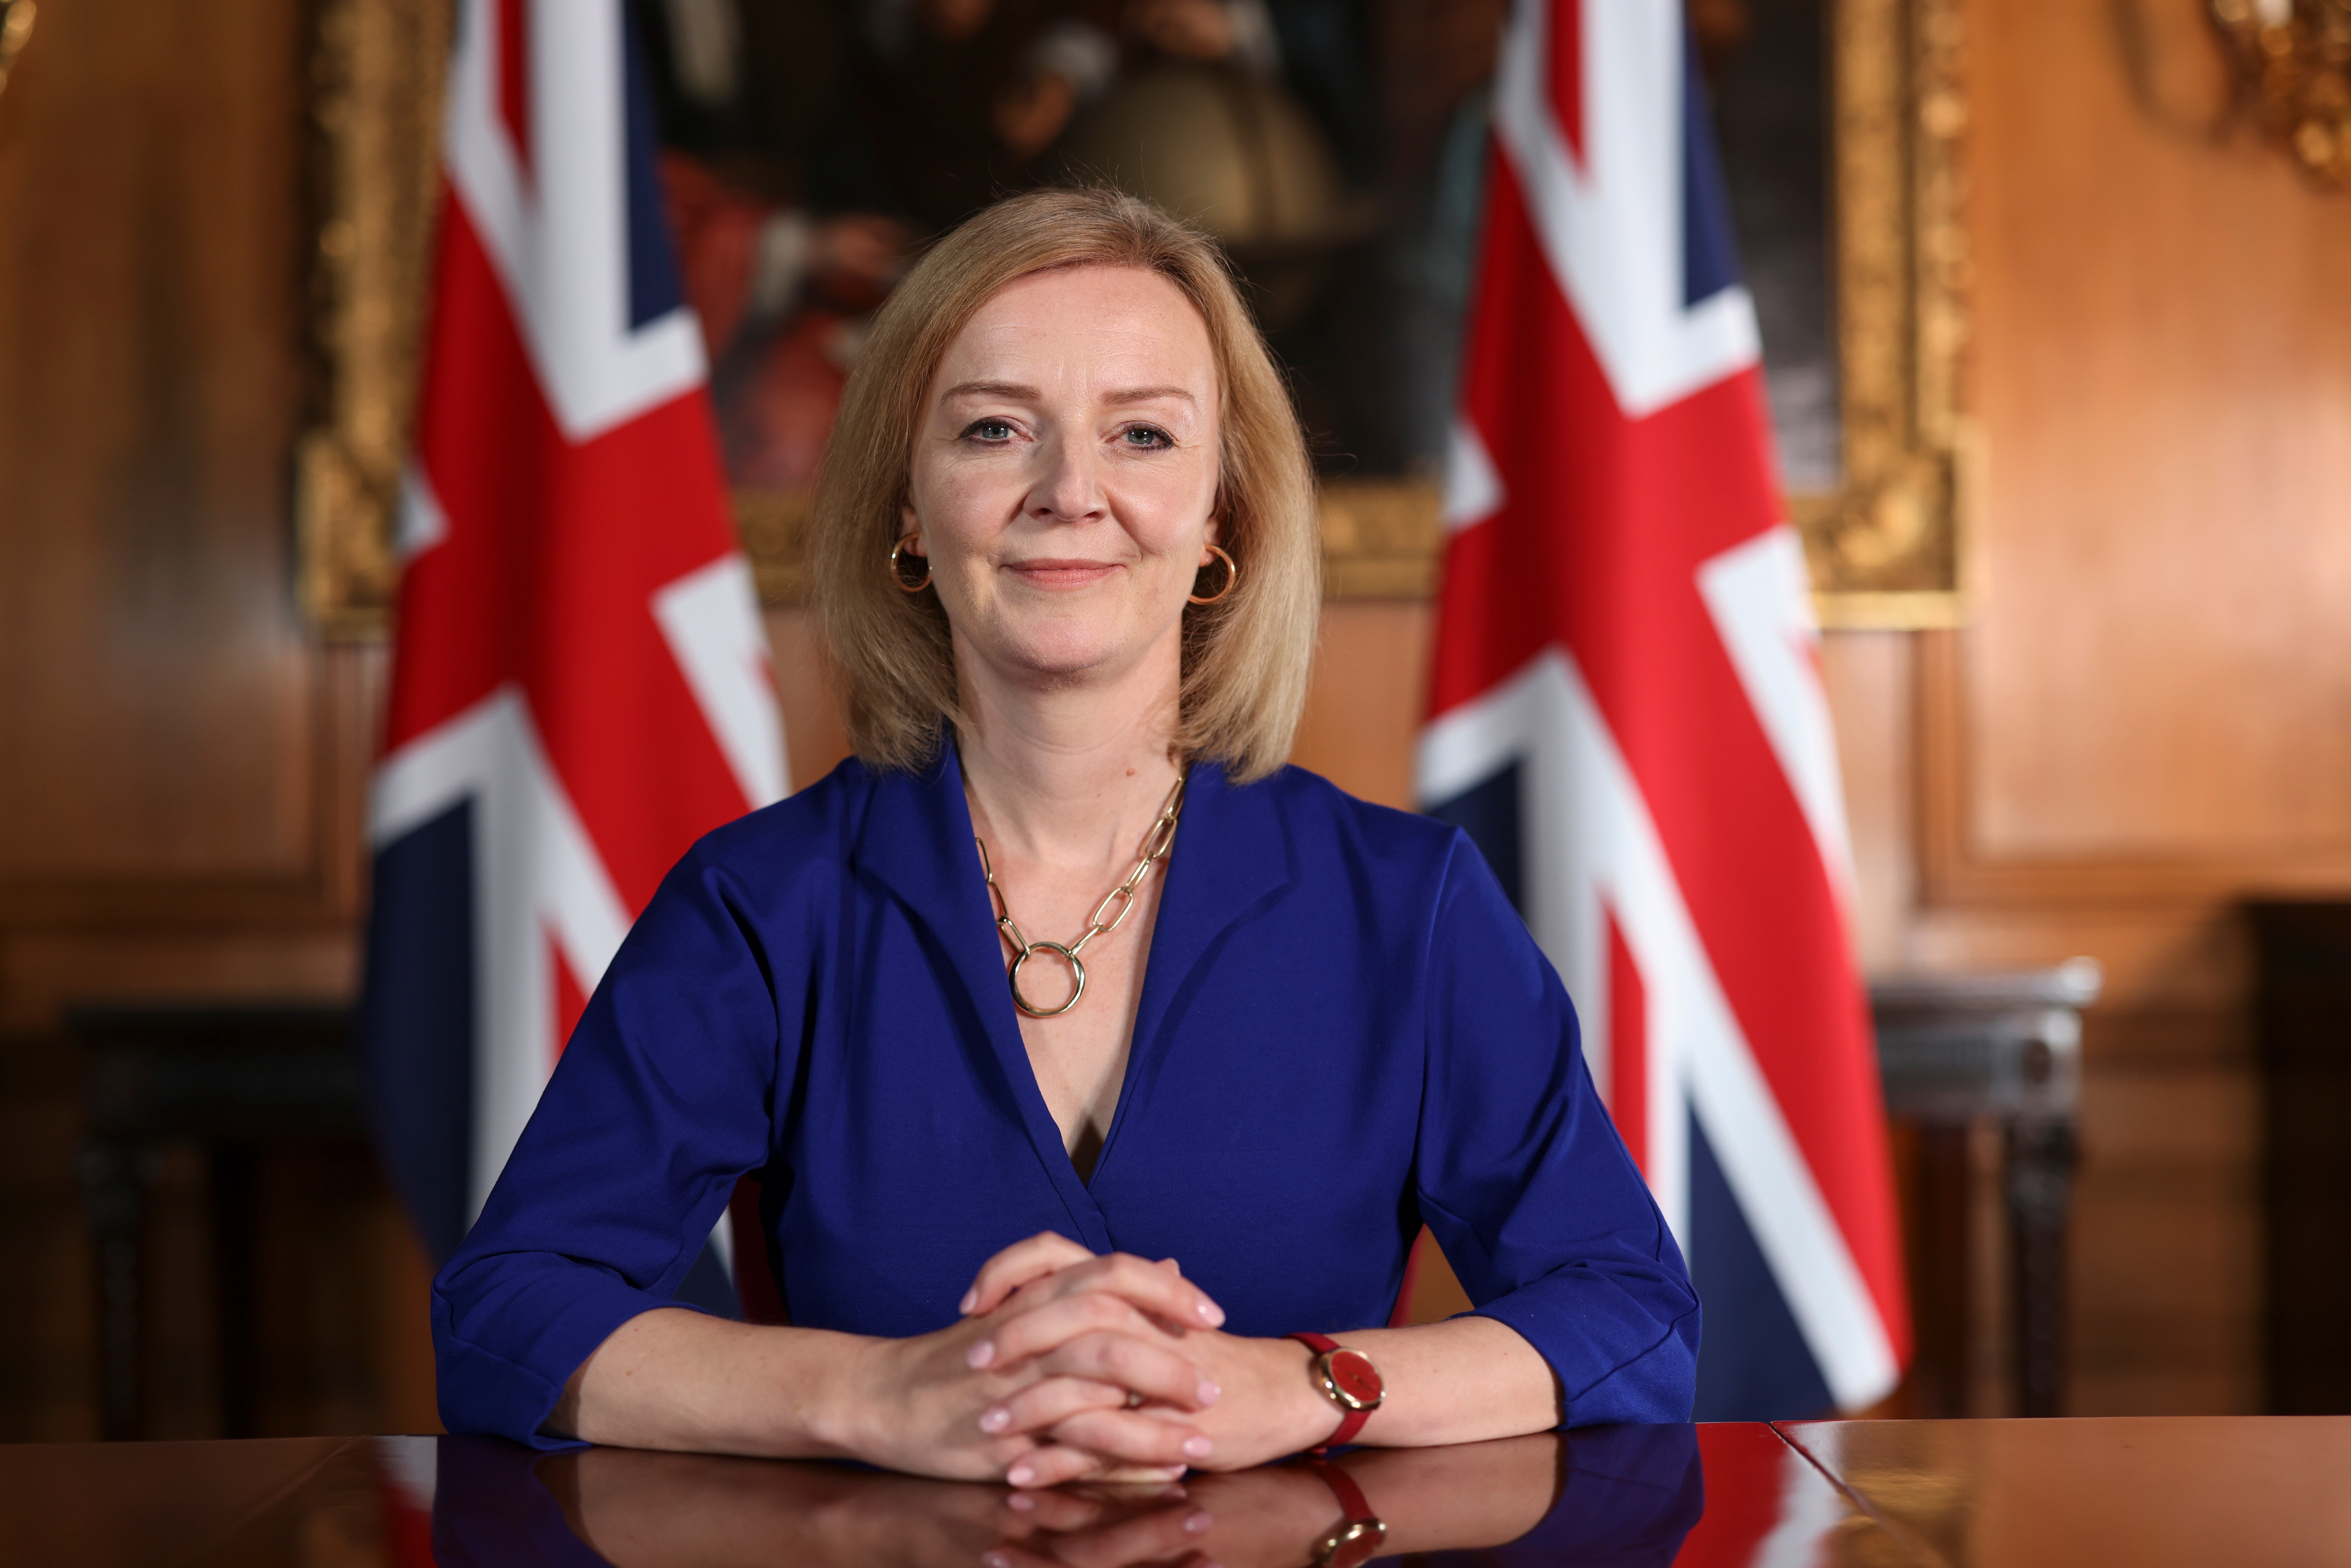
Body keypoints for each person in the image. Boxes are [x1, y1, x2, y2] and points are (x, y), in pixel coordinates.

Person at [433, 186, 1698, 1486]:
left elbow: (1628, 1316)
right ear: (909, 512)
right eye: (995, 430)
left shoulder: (1409, 906)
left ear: (1222, 521)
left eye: (1143, 434)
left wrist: (1304, 1385)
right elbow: (507, 1318)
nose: (1070, 493)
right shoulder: (761, 906)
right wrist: (881, 1393)